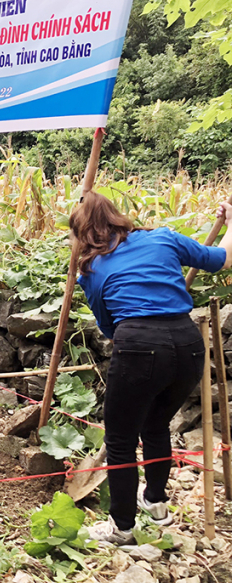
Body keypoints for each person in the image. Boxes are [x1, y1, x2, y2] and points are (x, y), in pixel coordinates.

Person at [73, 191, 232, 544]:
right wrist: (231, 223)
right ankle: (156, 504)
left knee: (120, 439)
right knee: (156, 424)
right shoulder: (163, 237)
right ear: (116, 217)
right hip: (188, 342)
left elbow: (108, 326)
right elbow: (222, 259)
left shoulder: (91, 269)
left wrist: (138, 337)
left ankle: (121, 528)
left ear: (83, 233)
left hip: (138, 344)